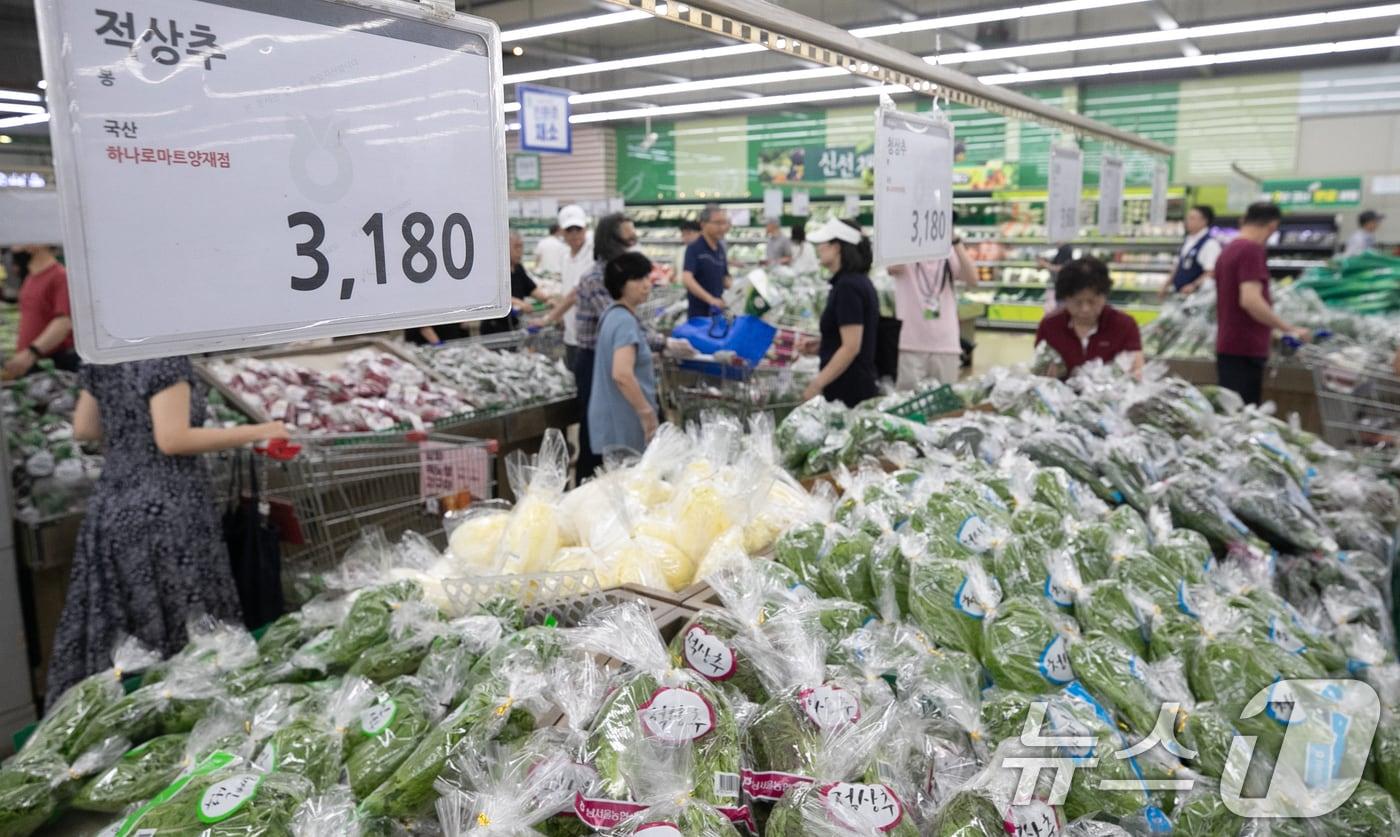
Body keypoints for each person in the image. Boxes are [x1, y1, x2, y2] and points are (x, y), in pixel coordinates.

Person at [45, 357, 290, 704]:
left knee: (128, 623)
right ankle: (187, 703)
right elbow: (172, 439)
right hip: (167, 510)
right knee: (184, 618)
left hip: (112, 501)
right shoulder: (164, 358)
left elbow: (84, 428)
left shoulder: (103, 353)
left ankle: (124, 707)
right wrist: (261, 431)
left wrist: (129, 435)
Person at [1215, 202, 1311, 406]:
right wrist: (1288, 329)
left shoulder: (1229, 249)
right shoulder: (1251, 250)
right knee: (1244, 415)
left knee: (1231, 413)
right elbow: (1250, 300)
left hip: (1230, 345)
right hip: (1245, 348)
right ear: (1272, 226)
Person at [572, 212, 642, 481]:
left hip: (617, 356)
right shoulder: (597, 278)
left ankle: (611, 487)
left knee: (612, 429)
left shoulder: (621, 274)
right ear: (612, 242)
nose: (633, 245)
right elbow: (617, 317)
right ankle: (585, 489)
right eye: (629, 239)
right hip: (594, 361)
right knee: (594, 431)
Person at [801, 218, 879, 407]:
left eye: (823, 244)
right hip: (855, 384)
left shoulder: (848, 287)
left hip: (848, 391)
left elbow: (851, 347)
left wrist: (817, 384)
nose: (819, 248)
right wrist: (824, 344)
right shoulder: (856, 282)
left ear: (837, 247)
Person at [589, 252, 659, 459]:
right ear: (621, 285)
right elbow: (622, 374)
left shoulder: (612, 315)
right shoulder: (624, 322)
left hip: (613, 422)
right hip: (624, 423)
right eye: (638, 279)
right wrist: (646, 413)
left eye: (647, 278)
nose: (646, 285)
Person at [890, 235, 979, 389]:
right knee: (907, 402)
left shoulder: (949, 252)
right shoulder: (905, 253)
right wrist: (912, 235)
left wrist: (956, 243)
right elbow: (893, 267)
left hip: (946, 343)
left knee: (945, 403)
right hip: (911, 343)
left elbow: (973, 279)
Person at [1034, 257, 1144, 380]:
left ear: (1104, 296)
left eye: (1092, 301)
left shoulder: (1125, 325)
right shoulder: (1049, 326)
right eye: (1077, 302)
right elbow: (1039, 371)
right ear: (1064, 298)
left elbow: (1136, 369)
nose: (1085, 309)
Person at [5, 243, 76, 378]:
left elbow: (63, 322)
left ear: (37, 244)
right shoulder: (31, 277)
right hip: (31, 364)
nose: (13, 249)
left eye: (18, 243)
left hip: (50, 365)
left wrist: (31, 352)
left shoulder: (60, 276)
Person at [537, 205, 596, 369]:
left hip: (590, 337)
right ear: (562, 232)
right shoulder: (565, 257)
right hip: (571, 334)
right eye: (570, 230)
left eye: (578, 229)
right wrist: (560, 313)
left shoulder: (592, 254)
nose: (575, 234)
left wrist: (548, 318)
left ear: (586, 228)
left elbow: (576, 293)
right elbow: (567, 290)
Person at [481, 231, 552, 336]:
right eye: (516, 247)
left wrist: (548, 298)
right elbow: (492, 294)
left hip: (514, 324)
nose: (520, 251)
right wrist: (519, 303)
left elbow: (532, 289)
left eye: (521, 247)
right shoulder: (495, 270)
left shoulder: (518, 268)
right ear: (504, 247)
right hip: (495, 327)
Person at [1159, 205, 1222, 300]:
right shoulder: (1188, 240)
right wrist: (1166, 285)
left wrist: (1193, 286)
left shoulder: (1210, 244)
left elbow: (1211, 272)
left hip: (1198, 298)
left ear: (1204, 221)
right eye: (1187, 218)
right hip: (1181, 295)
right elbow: (1178, 265)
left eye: (1192, 218)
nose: (1187, 221)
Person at [682, 205, 731, 319]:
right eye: (718, 223)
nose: (722, 227)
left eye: (724, 223)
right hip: (699, 317)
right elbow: (687, 279)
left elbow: (725, 278)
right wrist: (711, 300)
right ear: (703, 224)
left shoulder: (720, 248)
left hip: (718, 314)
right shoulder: (694, 248)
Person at [1036, 243, 1075, 313]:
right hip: (1056, 287)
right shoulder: (1060, 250)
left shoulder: (1066, 249)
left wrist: (1045, 264)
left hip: (1060, 287)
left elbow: (1062, 268)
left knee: (1056, 310)